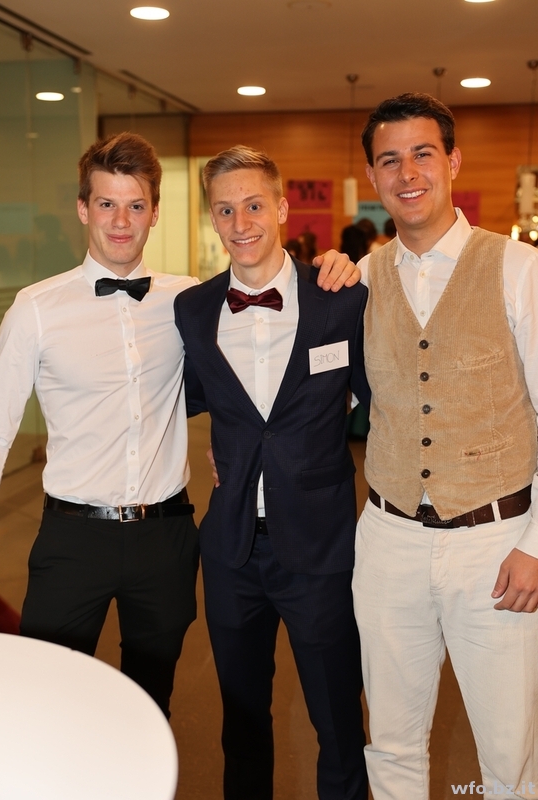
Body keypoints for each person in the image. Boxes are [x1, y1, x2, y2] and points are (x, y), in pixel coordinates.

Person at [0, 132, 359, 716]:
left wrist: (334, 263)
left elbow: (256, 374)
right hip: (73, 537)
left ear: (154, 213)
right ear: (83, 209)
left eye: (135, 205)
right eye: (106, 203)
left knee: (151, 704)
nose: (121, 221)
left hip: (166, 537)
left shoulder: (189, 303)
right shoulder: (36, 308)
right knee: (45, 702)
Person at [353, 92, 538, 800]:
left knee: (510, 756)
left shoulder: (517, 268)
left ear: (452, 162)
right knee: (391, 744)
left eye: (422, 154)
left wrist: (536, 543)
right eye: (389, 159)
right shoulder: (361, 278)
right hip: (388, 538)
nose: (407, 173)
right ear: (373, 175)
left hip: (495, 543)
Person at [174, 145, 369, 800]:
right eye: (225, 210)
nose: (241, 222)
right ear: (212, 218)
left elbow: (383, 401)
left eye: (254, 204)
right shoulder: (192, 310)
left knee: (338, 721)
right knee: (241, 724)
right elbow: (183, 401)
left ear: (283, 208)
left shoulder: (340, 297)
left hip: (320, 548)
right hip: (231, 551)